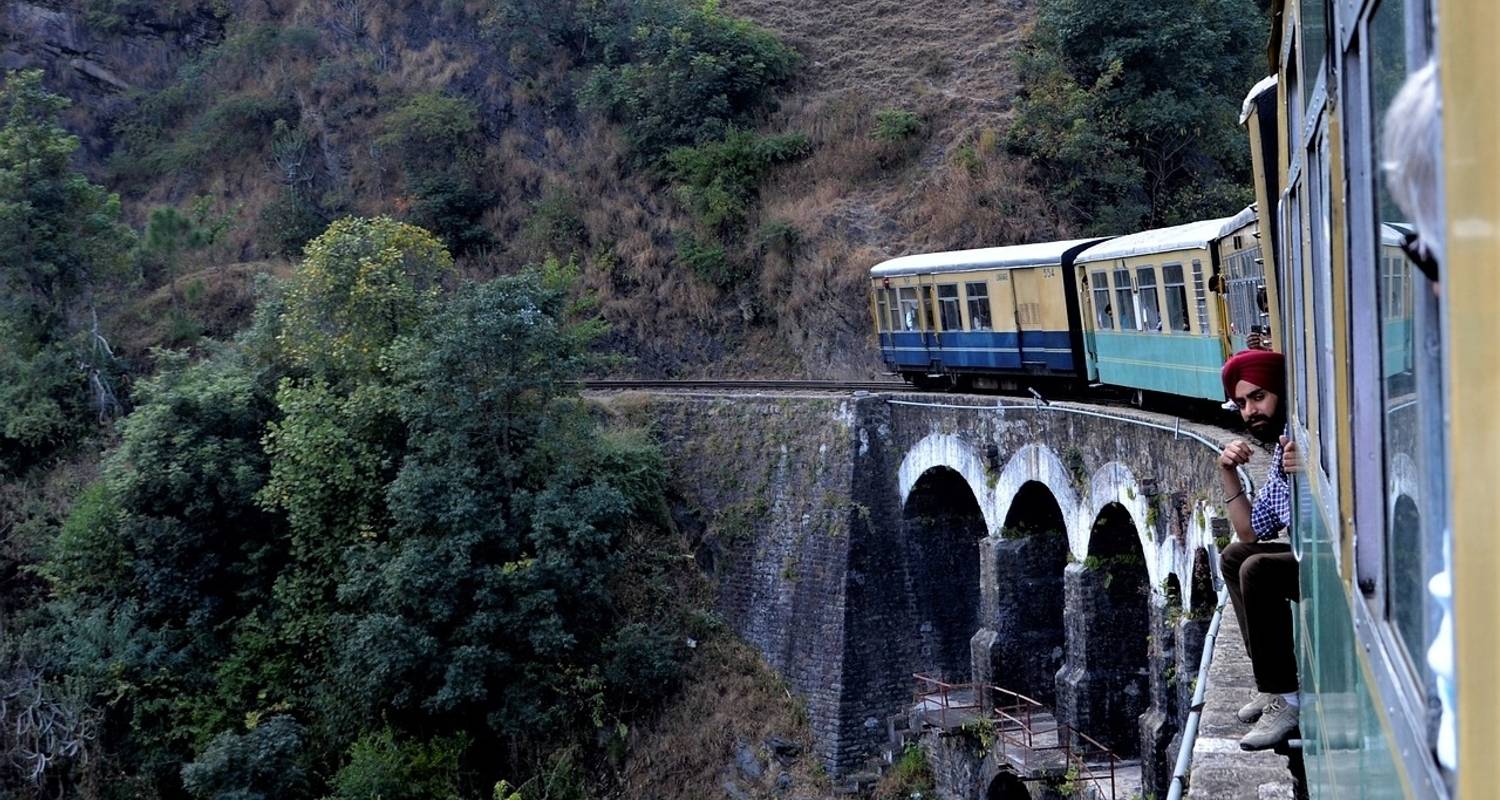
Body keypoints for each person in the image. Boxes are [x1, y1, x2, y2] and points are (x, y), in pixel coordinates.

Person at [1214, 349, 1302, 751]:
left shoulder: (1303, 442)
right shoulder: (1284, 446)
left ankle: (1287, 699)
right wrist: (1227, 470)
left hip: (1341, 559)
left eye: (1259, 397)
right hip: (1312, 552)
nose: (1251, 410)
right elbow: (1249, 532)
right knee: (1234, 557)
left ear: (1281, 391)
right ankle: (1271, 687)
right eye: (1242, 403)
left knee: (1259, 571)